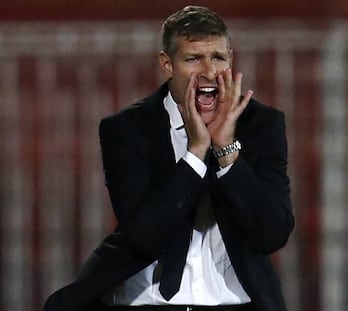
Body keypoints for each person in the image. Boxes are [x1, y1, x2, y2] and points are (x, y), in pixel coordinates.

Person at [44, 5, 294, 311]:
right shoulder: (127, 129)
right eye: (193, 58)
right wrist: (197, 153)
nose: (209, 71)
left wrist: (226, 152)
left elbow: (272, 233)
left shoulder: (260, 124)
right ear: (167, 65)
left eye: (218, 57)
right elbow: (145, 236)